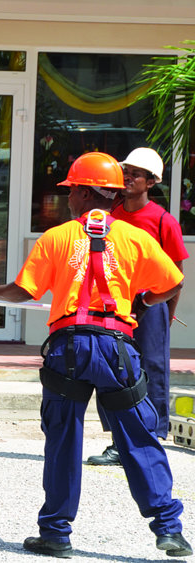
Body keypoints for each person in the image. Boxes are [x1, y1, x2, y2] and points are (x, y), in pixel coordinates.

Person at [0, 152, 191, 558]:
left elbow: (24, 291)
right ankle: (168, 530)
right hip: (117, 349)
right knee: (138, 437)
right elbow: (174, 282)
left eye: (70, 191)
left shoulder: (57, 238)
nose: (67, 198)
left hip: (69, 349)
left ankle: (55, 534)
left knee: (63, 439)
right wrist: (143, 303)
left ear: (84, 193)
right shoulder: (137, 239)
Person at [86, 148, 189, 466]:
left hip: (151, 303)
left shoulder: (163, 221)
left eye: (136, 173)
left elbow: (176, 275)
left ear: (151, 182)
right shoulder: (109, 213)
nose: (128, 177)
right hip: (111, 301)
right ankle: (120, 439)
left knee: (152, 367)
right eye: (125, 171)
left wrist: (166, 312)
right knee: (111, 366)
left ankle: (151, 438)